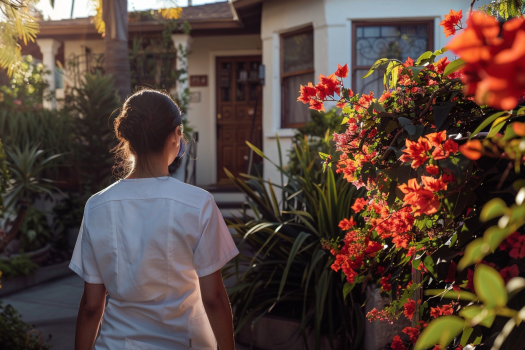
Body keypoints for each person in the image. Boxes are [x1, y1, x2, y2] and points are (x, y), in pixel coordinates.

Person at [70, 89, 238, 350]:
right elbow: (214, 297)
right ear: (175, 136)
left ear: (129, 140)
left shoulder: (97, 206)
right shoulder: (198, 203)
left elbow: (91, 306)